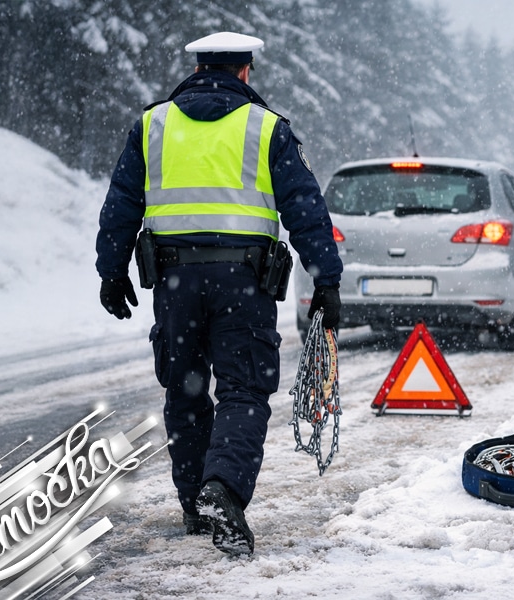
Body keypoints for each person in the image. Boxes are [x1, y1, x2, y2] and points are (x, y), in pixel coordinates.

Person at [95, 31, 343, 556]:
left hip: (174, 282)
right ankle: (223, 489)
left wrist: (111, 271)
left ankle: (194, 505)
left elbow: (121, 203)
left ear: (199, 67)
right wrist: (326, 281)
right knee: (244, 390)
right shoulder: (267, 128)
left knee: (184, 392)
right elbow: (305, 207)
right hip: (244, 284)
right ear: (245, 71)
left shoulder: (152, 126)